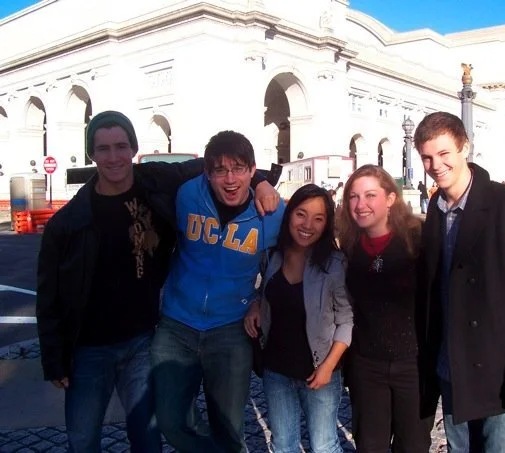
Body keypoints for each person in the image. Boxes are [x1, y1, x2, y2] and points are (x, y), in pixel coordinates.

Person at [36, 112, 279, 453]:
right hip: (94, 346)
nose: (113, 156)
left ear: (135, 148)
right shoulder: (68, 221)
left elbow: (220, 168)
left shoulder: (155, 182)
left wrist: (265, 180)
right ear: (92, 154)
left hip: (146, 339)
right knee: (87, 438)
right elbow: (49, 295)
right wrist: (54, 358)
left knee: (151, 438)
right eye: (103, 148)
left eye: (121, 146)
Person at [414, 112, 505, 453]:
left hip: (498, 369)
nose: (436, 165)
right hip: (451, 366)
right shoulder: (435, 213)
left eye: (444, 154)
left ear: (464, 147)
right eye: (427, 157)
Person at [151, 130, 286, 453]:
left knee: (228, 427)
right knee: (170, 421)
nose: (230, 179)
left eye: (239, 169)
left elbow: (281, 269)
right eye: (220, 170)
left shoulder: (271, 213)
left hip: (230, 329)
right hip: (176, 325)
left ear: (252, 171)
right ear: (207, 173)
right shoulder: (186, 195)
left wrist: (259, 301)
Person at [244, 184, 353, 453]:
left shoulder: (335, 263)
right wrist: (255, 305)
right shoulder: (272, 255)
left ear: (327, 224)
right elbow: (260, 290)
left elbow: (347, 320)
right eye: (301, 214)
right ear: (289, 214)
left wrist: (328, 366)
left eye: (318, 218)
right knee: (282, 444)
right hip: (277, 370)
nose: (308, 225)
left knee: (323, 445)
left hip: (319, 370)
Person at [338, 164, 434, 452]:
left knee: (413, 445)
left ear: (391, 199)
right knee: (370, 445)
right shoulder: (350, 246)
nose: (361, 204)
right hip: (367, 364)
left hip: (414, 364)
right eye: (353, 197)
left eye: (370, 195)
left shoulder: (418, 240)